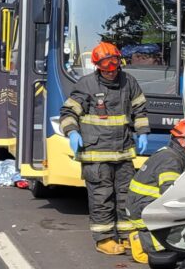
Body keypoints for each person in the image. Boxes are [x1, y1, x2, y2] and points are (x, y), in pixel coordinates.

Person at [60, 42, 152, 255]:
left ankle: (126, 235)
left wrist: (143, 131)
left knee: (126, 195)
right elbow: (68, 113)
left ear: (119, 62)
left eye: (114, 67)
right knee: (102, 197)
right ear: (98, 67)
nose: (111, 73)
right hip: (96, 155)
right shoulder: (86, 85)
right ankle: (104, 239)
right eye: (106, 69)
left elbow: (140, 108)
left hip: (123, 152)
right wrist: (72, 132)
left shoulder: (128, 82)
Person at [124, 119, 185, 266]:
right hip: (144, 211)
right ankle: (141, 241)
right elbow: (170, 193)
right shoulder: (171, 160)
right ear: (183, 141)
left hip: (142, 206)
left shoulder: (172, 153)